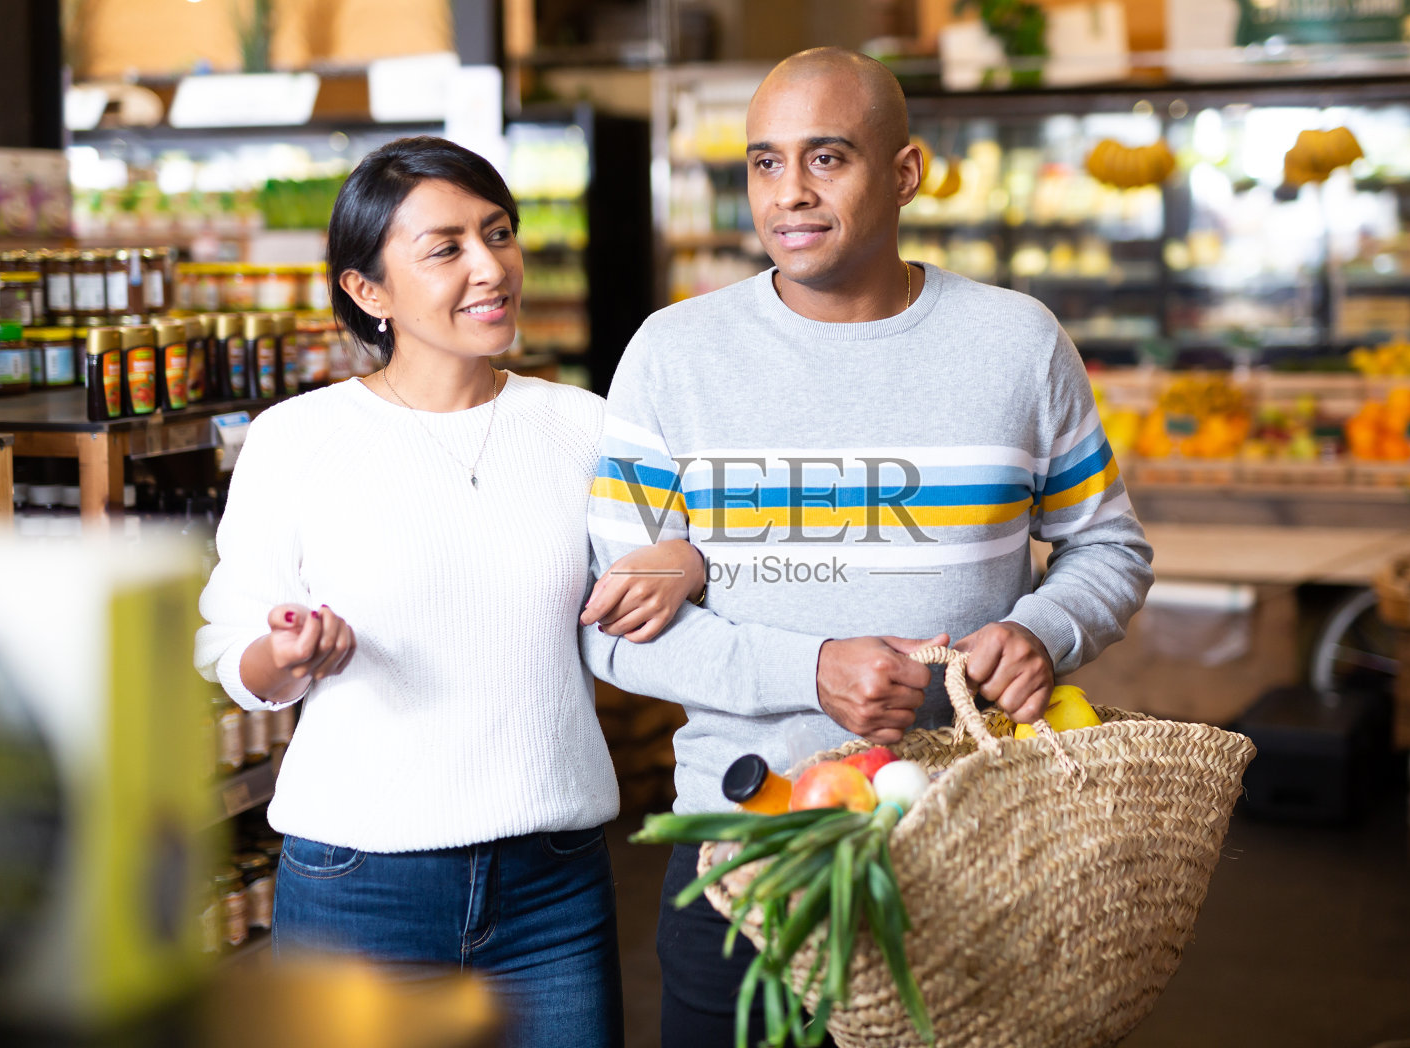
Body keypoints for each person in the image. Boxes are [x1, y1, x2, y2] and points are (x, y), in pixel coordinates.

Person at [582, 48, 1155, 1046]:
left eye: (826, 158)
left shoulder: (1016, 343)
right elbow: (612, 629)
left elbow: (1106, 544)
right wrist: (809, 668)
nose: (788, 195)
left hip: (969, 848)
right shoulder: (674, 355)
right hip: (741, 850)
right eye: (763, 162)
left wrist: (1040, 630)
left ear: (903, 173)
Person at [194, 136, 703, 1048]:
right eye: (446, 247)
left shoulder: (585, 428)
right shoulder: (298, 439)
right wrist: (288, 654)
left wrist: (687, 564)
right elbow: (236, 649)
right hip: (361, 890)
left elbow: (662, 584)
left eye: (498, 232)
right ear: (368, 292)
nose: (490, 266)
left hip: (553, 885)